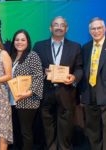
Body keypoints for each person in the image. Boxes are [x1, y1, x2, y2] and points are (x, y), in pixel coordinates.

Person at [33, 16, 83, 149]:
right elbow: (34, 67)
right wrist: (43, 71)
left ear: (67, 29)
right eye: (56, 24)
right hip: (46, 90)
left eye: (62, 25)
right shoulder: (39, 46)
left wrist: (74, 77)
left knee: (66, 125)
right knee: (47, 125)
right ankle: (51, 147)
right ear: (50, 28)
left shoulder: (75, 46)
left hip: (66, 91)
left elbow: (79, 68)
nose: (59, 27)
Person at [9, 29, 43, 150]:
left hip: (28, 101)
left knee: (26, 132)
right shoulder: (11, 57)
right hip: (12, 101)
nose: (19, 42)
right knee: (15, 132)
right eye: (17, 40)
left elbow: (38, 76)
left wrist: (28, 93)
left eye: (23, 40)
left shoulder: (32, 56)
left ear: (28, 41)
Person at [80, 17, 106, 150]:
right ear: (89, 31)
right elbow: (82, 70)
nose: (96, 31)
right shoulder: (85, 48)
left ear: (104, 29)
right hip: (89, 96)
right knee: (92, 130)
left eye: (99, 28)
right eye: (93, 29)